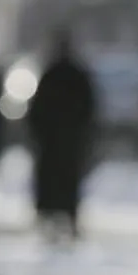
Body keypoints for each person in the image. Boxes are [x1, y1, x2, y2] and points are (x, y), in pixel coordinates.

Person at [26, 28, 98, 242]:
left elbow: (36, 111)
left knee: (58, 182)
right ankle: (62, 216)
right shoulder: (74, 75)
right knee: (65, 182)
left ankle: (53, 216)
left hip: (56, 142)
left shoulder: (54, 75)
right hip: (66, 142)